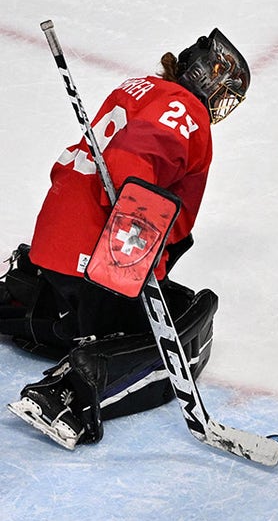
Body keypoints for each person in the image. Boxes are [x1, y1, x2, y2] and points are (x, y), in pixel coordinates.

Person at [0, 28, 251, 450]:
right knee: (188, 319)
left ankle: (21, 297)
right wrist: (134, 245)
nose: (222, 104)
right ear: (208, 79)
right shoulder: (186, 108)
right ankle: (69, 394)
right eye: (224, 90)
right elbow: (128, 160)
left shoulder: (141, 89)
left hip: (56, 246)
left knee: (91, 313)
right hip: (98, 257)